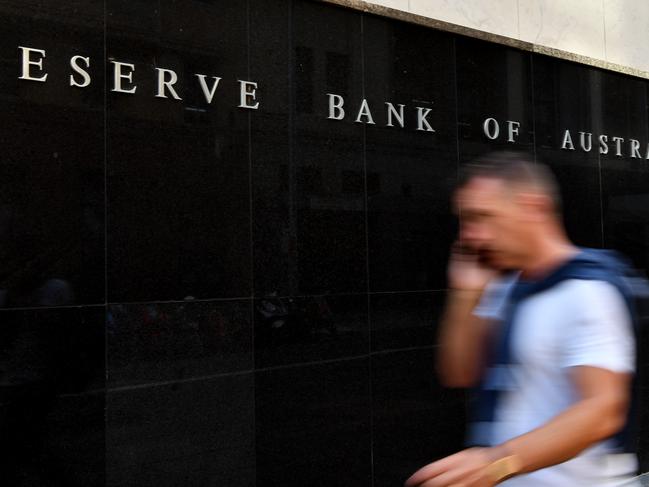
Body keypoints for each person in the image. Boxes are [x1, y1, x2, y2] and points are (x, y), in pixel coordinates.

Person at [406, 152, 639, 486]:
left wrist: (495, 465)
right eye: (465, 220)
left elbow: (602, 410)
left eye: (482, 217)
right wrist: (464, 294)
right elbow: (460, 372)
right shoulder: (506, 285)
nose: (470, 236)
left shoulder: (587, 290)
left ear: (533, 207)